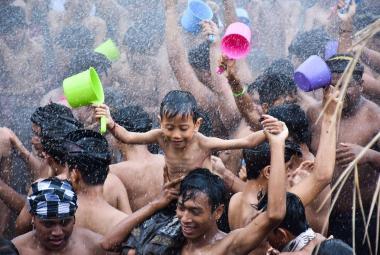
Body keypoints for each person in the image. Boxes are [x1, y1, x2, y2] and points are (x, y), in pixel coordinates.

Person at [103, 117, 288, 253]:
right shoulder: (165, 232)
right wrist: (156, 204)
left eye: (195, 211)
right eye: (182, 208)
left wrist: (277, 143)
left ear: (218, 212)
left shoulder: (225, 247)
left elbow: (274, 214)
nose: (184, 218)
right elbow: (108, 243)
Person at [229, 88, 339, 253]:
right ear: (268, 172)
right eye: (286, 167)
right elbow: (322, 176)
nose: (289, 173)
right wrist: (330, 117)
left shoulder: (236, 201)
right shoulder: (276, 208)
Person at [95, 90, 283, 183]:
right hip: (174, 196)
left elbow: (246, 141)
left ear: (197, 125)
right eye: (170, 127)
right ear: (160, 122)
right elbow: (127, 137)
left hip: (202, 196)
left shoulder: (203, 143)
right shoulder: (161, 136)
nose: (176, 135)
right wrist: (111, 122)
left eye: (183, 128)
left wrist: (270, 131)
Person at [307, 54, 380, 255]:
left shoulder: (375, 116)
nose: (337, 92)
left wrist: (369, 155)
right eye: (332, 86)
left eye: (345, 86)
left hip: (365, 219)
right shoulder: (314, 114)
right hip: (324, 218)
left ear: (361, 85)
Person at [12, 178, 113, 255]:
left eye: (64, 223)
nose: (57, 232)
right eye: (48, 224)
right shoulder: (17, 249)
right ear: (33, 219)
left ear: (74, 219)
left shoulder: (93, 245)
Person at [109, 105, 165, 211]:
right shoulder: (165, 162)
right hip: (168, 226)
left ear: (118, 136)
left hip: (136, 225)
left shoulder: (114, 172)